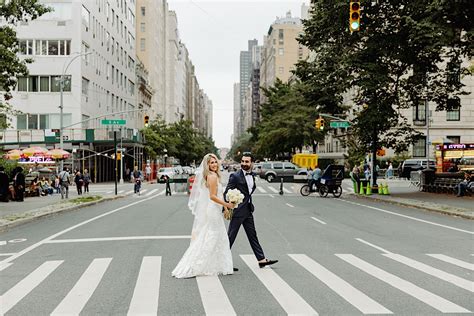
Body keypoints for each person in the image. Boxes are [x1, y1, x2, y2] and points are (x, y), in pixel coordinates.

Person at [172, 153, 235, 278]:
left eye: (215, 162)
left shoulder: (214, 176)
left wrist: (225, 207)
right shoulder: (211, 177)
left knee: (216, 236)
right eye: (211, 163)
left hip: (215, 209)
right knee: (212, 236)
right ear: (207, 165)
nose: (214, 164)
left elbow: (217, 195)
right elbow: (212, 196)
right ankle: (197, 265)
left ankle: (217, 264)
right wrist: (226, 204)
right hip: (213, 210)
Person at [224, 152, 278, 270]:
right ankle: (222, 262)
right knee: (230, 237)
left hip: (248, 211)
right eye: (242, 161)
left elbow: (248, 192)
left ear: (252, 163)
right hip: (238, 212)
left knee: (253, 236)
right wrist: (228, 207)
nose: (244, 163)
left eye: (247, 162)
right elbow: (227, 193)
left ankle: (261, 260)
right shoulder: (235, 176)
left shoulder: (252, 175)